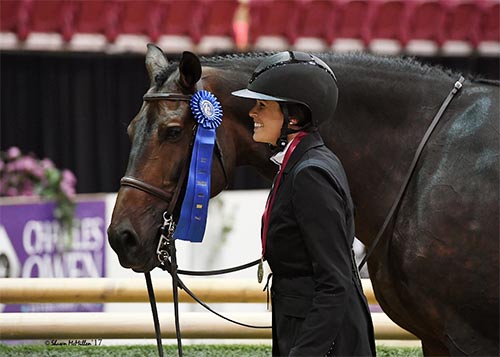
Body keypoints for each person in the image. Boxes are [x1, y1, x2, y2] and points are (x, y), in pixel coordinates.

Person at [232, 51, 376, 356]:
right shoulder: (299, 163)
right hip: (304, 323)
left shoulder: (310, 173)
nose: (251, 113)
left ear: (293, 117)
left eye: (262, 105)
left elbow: (334, 281)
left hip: (323, 338)